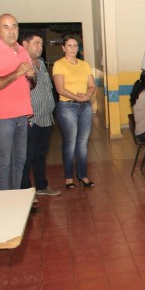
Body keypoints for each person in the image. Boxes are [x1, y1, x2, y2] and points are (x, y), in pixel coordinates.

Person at [0, 13, 35, 191]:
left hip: (21, 113)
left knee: (19, 160)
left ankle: (14, 199)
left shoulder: (22, 50)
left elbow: (30, 84)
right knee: (3, 163)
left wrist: (32, 76)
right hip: (0, 116)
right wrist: (18, 72)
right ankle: (2, 204)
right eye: (6, 27)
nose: (11, 31)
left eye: (14, 26)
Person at [53, 34, 96, 188]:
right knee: (70, 143)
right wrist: (79, 98)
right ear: (63, 48)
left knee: (82, 143)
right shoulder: (59, 64)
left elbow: (92, 85)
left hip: (85, 106)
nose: (73, 48)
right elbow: (60, 89)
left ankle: (83, 175)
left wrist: (88, 95)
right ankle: (69, 177)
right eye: (69, 45)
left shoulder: (84, 64)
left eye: (75, 45)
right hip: (67, 107)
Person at [20, 31, 60, 196]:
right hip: (29, 119)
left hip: (45, 118)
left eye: (41, 44)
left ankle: (41, 186)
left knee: (41, 154)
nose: (40, 47)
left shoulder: (41, 64)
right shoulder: (21, 65)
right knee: (26, 157)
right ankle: (26, 191)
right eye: (36, 43)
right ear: (24, 44)